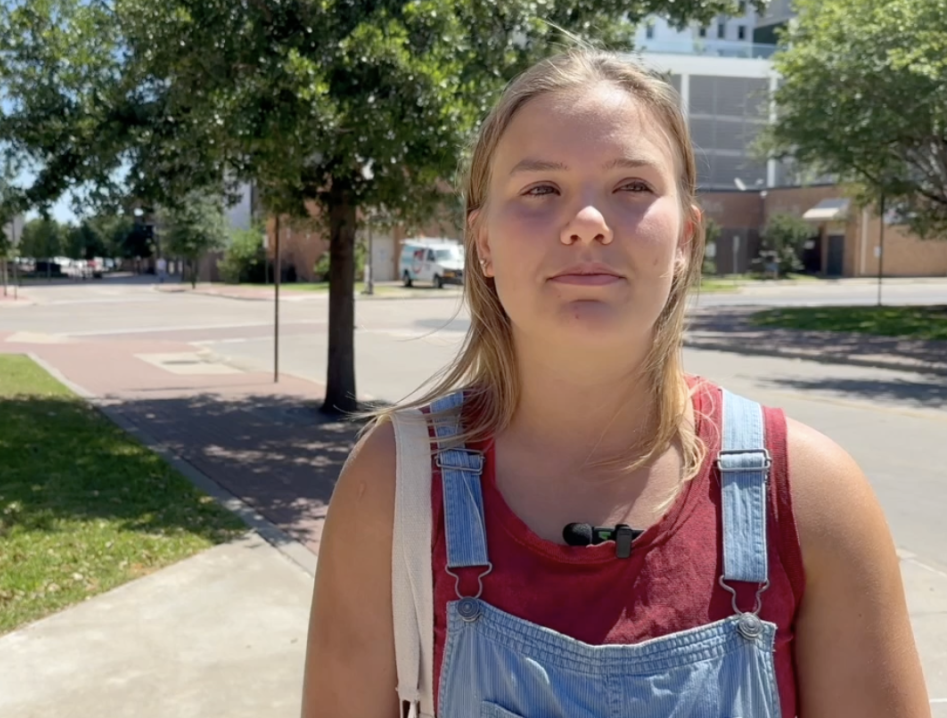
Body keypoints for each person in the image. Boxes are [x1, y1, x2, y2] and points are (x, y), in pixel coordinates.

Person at [301, 47, 930, 718]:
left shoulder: (809, 497)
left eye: (632, 186)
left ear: (687, 237)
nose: (587, 223)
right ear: (482, 243)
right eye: (541, 189)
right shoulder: (392, 486)